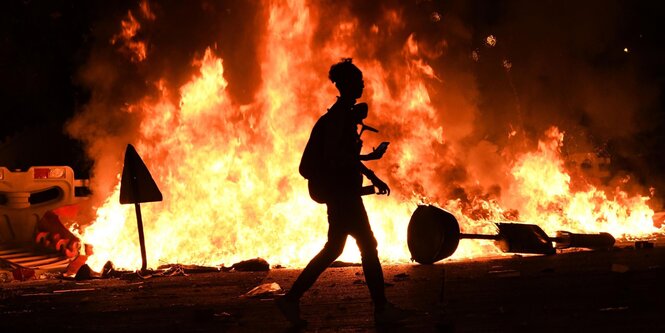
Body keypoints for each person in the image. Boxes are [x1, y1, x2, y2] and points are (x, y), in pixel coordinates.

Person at [277, 58, 410, 327]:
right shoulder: (339, 118)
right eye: (357, 81)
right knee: (368, 246)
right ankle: (381, 309)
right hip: (343, 195)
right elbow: (336, 157)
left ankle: (291, 299)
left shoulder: (343, 116)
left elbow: (345, 155)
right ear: (346, 84)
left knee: (334, 248)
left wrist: (371, 163)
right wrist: (369, 172)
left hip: (341, 193)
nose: (362, 85)